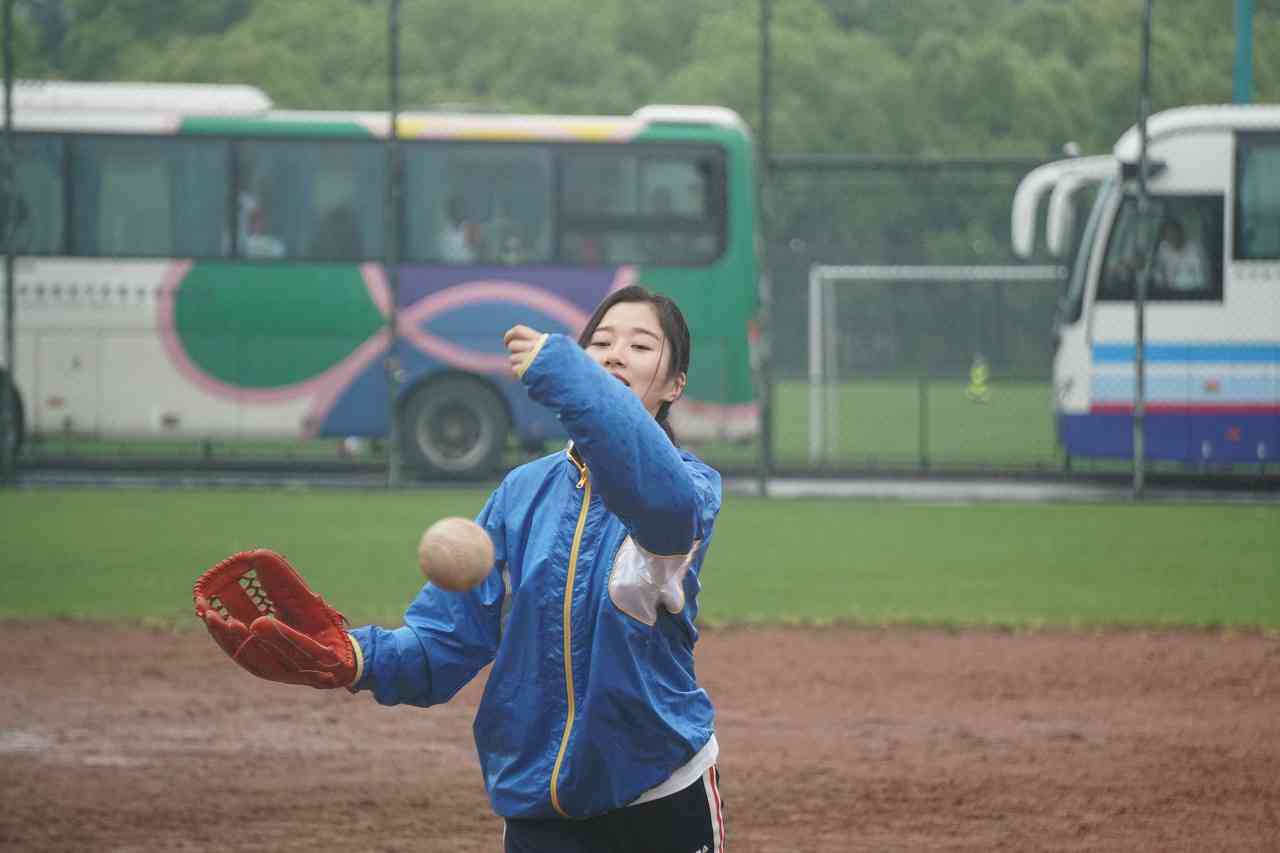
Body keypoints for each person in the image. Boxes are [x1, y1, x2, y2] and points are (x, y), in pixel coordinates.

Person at [349, 284, 726, 851]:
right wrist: (353, 657)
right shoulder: (522, 491)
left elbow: (660, 500)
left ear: (674, 385)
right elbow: (444, 640)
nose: (616, 355)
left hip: (660, 798)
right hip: (538, 805)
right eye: (600, 342)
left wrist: (577, 382)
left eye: (641, 346)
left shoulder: (691, 488)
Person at [1152, 219, 1208, 292]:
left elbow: (1202, 278)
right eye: (1168, 234)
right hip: (1170, 293)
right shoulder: (1163, 249)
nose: (1172, 236)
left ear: (1181, 232)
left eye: (1174, 232)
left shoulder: (1196, 248)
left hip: (1194, 292)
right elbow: (1158, 275)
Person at [439, 194, 478, 263]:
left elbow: (478, 252)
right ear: (450, 211)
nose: (459, 211)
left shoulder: (472, 228)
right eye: (455, 208)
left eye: (461, 208)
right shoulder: (443, 235)